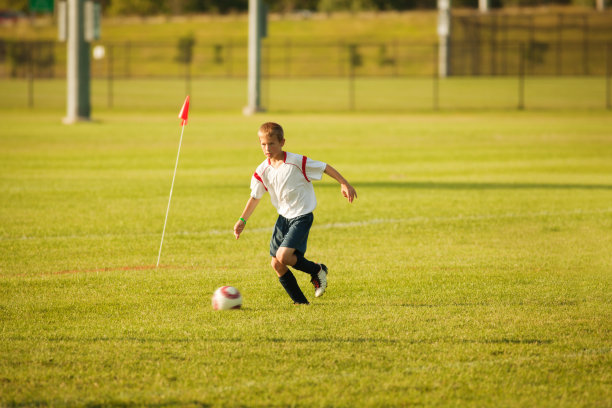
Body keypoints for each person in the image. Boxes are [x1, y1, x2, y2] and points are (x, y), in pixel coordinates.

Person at [233, 122, 357, 305]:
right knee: (277, 264)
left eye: (272, 144)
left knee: (283, 256)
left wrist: (343, 182)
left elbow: (324, 167)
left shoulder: (297, 162)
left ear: (282, 142)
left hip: (302, 215)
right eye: (263, 144)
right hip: (283, 218)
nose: (267, 148)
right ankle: (300, 303)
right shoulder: (262, 170)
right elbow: (255, 197)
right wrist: (242, 219)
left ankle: (317, 270)